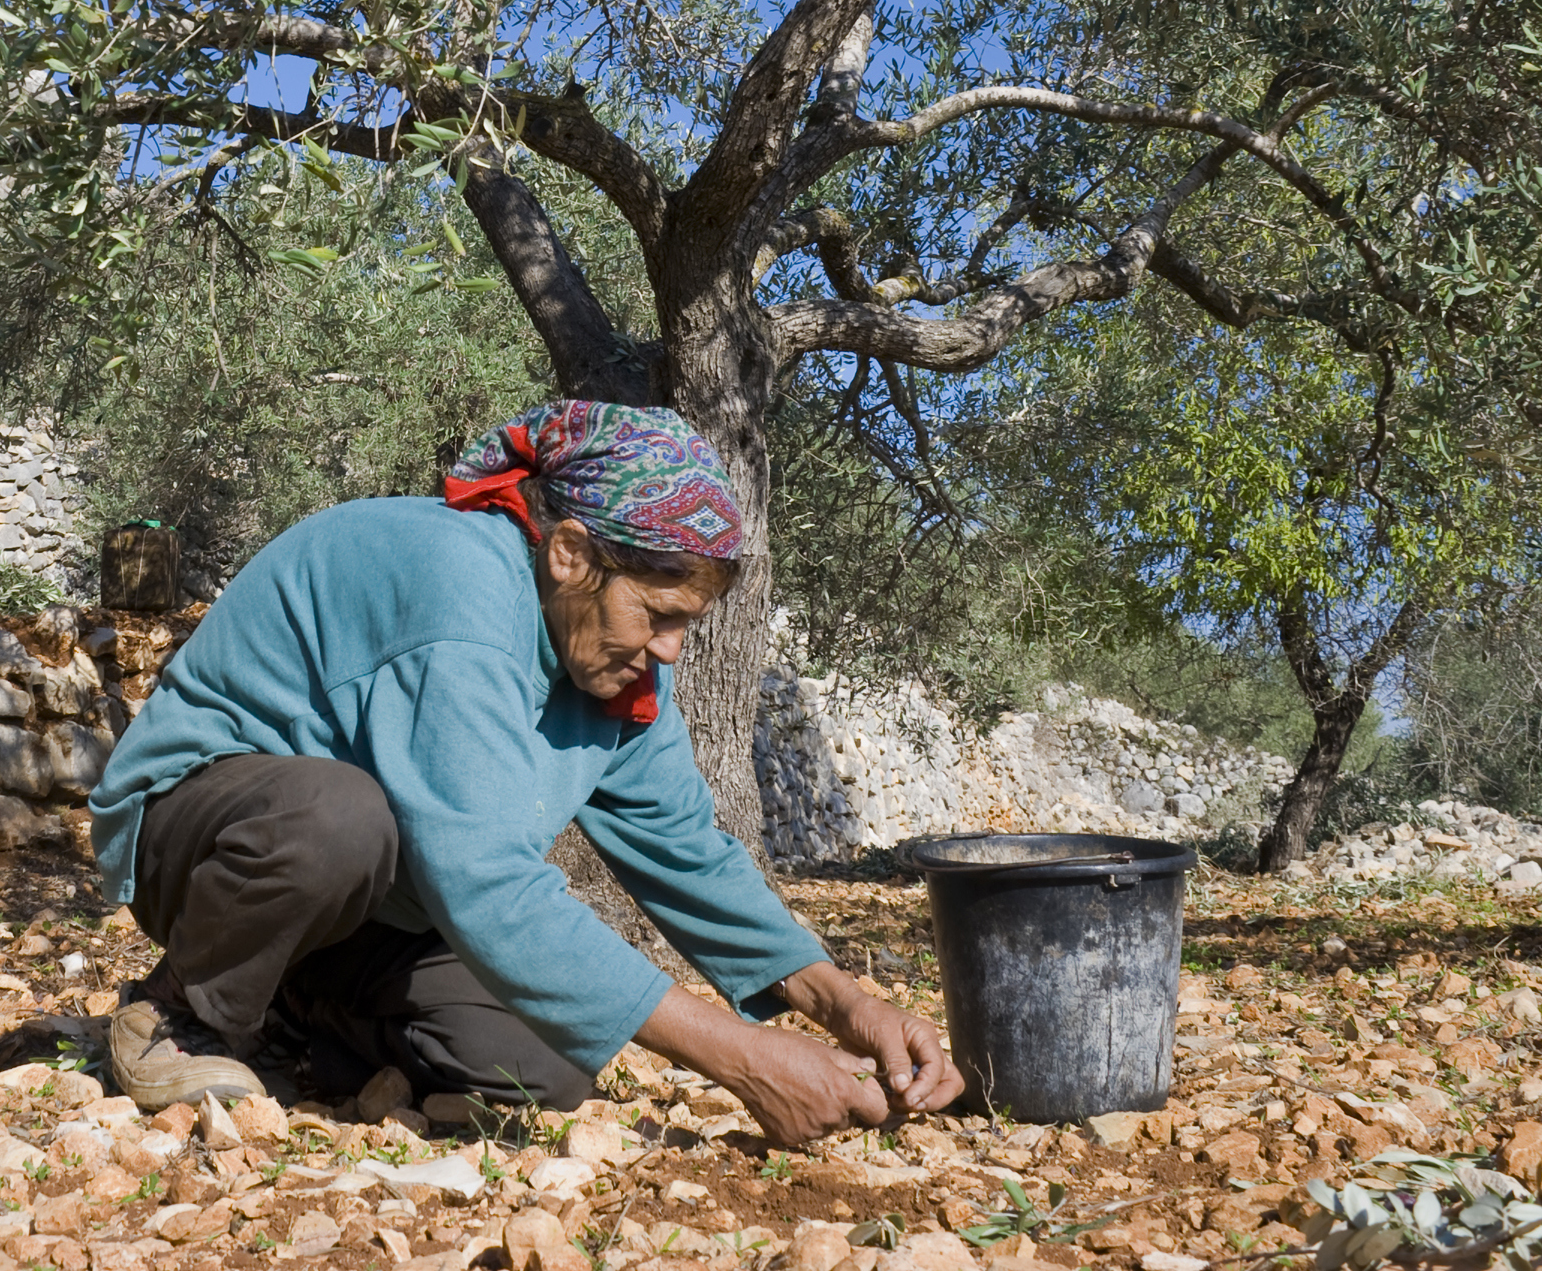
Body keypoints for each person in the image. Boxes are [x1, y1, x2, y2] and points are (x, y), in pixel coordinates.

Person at [85, 399, 967, 1144]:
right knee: (338, 817)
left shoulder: (612, 664)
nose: (669, 649)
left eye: (686, 624)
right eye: (658, 613)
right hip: (206, 836)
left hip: (374, 899)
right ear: (572, 554)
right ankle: (179, 1011)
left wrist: (849, 1006)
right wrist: (740, 1058)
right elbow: (485, 880)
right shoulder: (461, 591)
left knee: (544, 1066)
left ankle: (282, 1010)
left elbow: (689, 853)